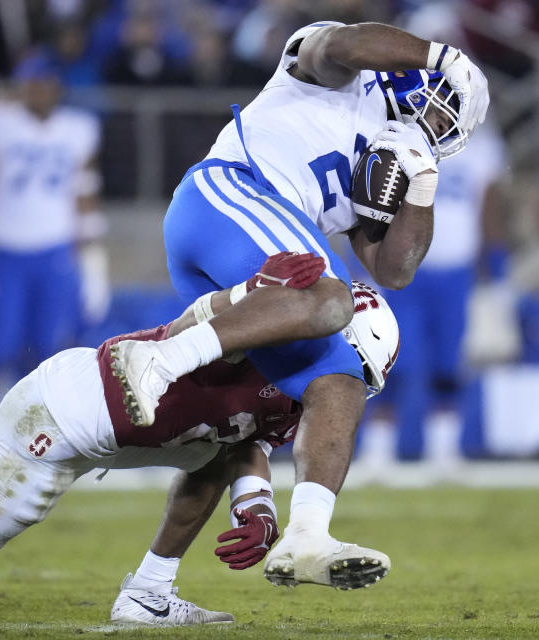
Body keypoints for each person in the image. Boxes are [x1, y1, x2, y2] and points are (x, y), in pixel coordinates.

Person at [0, 254, 401, 627]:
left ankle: (147, 594)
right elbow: (194, 322)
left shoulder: (294, 395)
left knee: (210, 459)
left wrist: (255, 503)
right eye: (351, 375)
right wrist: (246, 293)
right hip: (60, 415)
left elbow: (242, 439)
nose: (343, 392)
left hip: (114, 433)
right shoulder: (269, 341)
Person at [108, 20, 488, 585]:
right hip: (231, 192)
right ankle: (158, 360)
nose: (431, 126)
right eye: (437, 111)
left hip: (253, 254)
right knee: (332, 300)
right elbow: (338, 44)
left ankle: (298, 539)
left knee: (339, 375)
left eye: (441, 127)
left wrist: (421, 179)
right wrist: (441, 54)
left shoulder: (393, 155)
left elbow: (392, 270)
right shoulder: (339, 75)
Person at [0, 49, 103, 469]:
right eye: (32, 83)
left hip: (53, 253)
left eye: (47, 82)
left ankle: (36, 443)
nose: (40, 91)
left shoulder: (78, 128)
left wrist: (94, 263)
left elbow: (84, 194)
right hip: (2, 253)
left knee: (48, 355)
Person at [355, 121, 508, 474]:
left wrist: (496, 266)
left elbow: (489, 209)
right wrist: (364, 259)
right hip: (404, 271)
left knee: (448, 362)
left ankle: (444, 447)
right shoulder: (395, 136)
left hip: (456, 269)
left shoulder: (482, 146)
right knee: (392, 359)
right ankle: (379, 448)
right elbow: (372, 205)